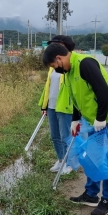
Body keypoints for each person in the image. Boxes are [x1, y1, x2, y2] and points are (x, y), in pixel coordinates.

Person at [42, 42, 108, 215]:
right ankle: (91, 194)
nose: (56, 70)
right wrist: (75, 119)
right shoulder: (69, 71)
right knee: (91, 157)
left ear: (59, 58)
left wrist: (101, 117)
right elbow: (77, 97)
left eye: (54, 66)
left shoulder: (85, 64)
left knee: (106, 160)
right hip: (94, 120)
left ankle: (107, 201)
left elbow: (103, 90)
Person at [38, 36, 74, 174]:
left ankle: (69, 163)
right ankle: (60, 160)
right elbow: (48, 86)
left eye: (55, 45)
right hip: (52, 106)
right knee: (55, 136)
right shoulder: (52, 67)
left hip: (64, 106)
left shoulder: (68, 64)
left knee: (66, 136)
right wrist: (44, 105)